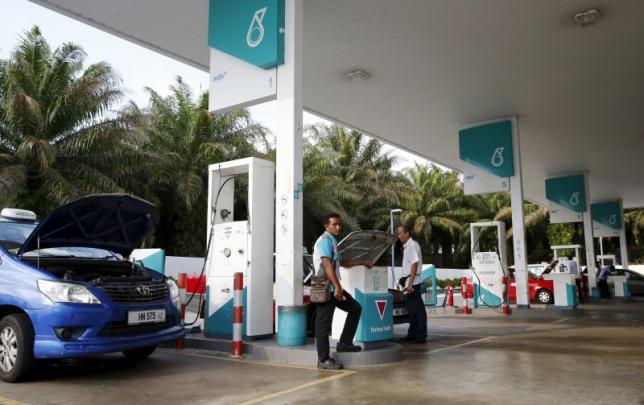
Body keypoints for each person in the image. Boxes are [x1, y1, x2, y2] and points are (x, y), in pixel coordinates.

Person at [313, 212, 373, 370]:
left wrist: (363, 261)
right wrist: (338, 287)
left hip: (332, 286)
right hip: (324, 286)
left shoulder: (332, 241)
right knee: (323, 324)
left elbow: (342, 262)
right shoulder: (325, 240)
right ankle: (323, 359)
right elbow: (327, 265)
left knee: (355, 308)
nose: (338, 227)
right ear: (326, 226)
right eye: (334, 224)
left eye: (339, 224)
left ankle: (344, 343)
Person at [396, 225, 427, 343]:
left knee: (418, 311)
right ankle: (412, 335)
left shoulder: (412, 245)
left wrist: (410, 284)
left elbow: (414, 264)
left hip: (412, 283)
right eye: (398, 234)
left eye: (400, 233)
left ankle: (420, 336)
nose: (399, 236)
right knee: (412, 311)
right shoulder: (408, 246)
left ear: (407, 233)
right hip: (409, 282)